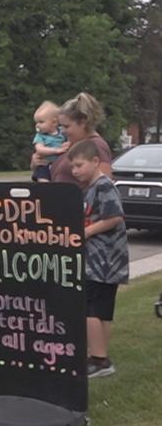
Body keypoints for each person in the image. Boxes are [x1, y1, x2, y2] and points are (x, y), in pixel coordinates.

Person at [68, 139, 128, 378]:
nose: (75, 171)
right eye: (72, 167)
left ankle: (98, 360)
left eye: (79, 165)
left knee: (91, 309)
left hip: (103, 261)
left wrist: (86, 232)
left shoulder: (103, 186)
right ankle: (100, 356)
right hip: (99, 261)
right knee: (101, 310)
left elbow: (115, 217)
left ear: (95, 161)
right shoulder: (91, 188)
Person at [45, 92, 113, 186]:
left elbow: (104, 186)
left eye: (66, 126)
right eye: (61, 126)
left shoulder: (96, 146)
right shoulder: (71, 146)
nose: (62, 131)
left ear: (83, 123)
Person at [31, 100, 68, 182]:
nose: (37, 125)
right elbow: (39, 149)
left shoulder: (62, 132)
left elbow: (69, 141)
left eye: (41, 122)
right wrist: (56, 150)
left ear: (54, 122)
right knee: (44, 181)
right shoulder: (40, 136)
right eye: (36, 122)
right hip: (44, 165)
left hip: (59, 165)